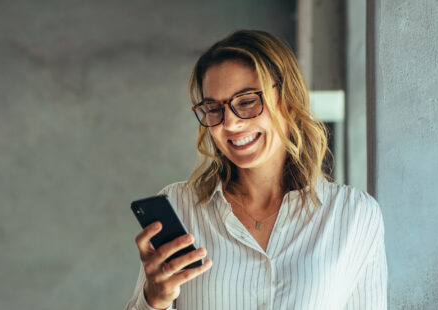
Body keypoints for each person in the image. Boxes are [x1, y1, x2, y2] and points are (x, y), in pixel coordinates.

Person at [124, 30, 387, 310]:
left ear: (288, 98)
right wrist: (155, 300)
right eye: (214, 108)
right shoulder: (180, 207)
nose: (230, 125)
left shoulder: (354, 214)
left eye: (247, 101)